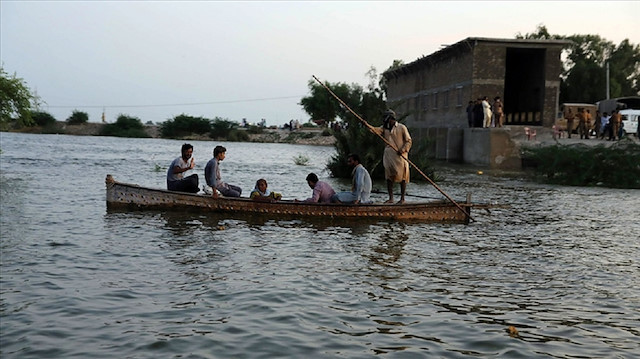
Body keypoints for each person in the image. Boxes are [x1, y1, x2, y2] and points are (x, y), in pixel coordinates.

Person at [372, 110, 412, 204]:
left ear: (391, 119)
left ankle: (402, 199)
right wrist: (367, 125)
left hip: (400, 156)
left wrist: (402, 150)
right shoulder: (384, 129)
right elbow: (375, 130)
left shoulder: (401, 128)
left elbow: (408, 141)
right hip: (389, 156)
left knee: (403, 177)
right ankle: (391, 198)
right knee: (389, 177)